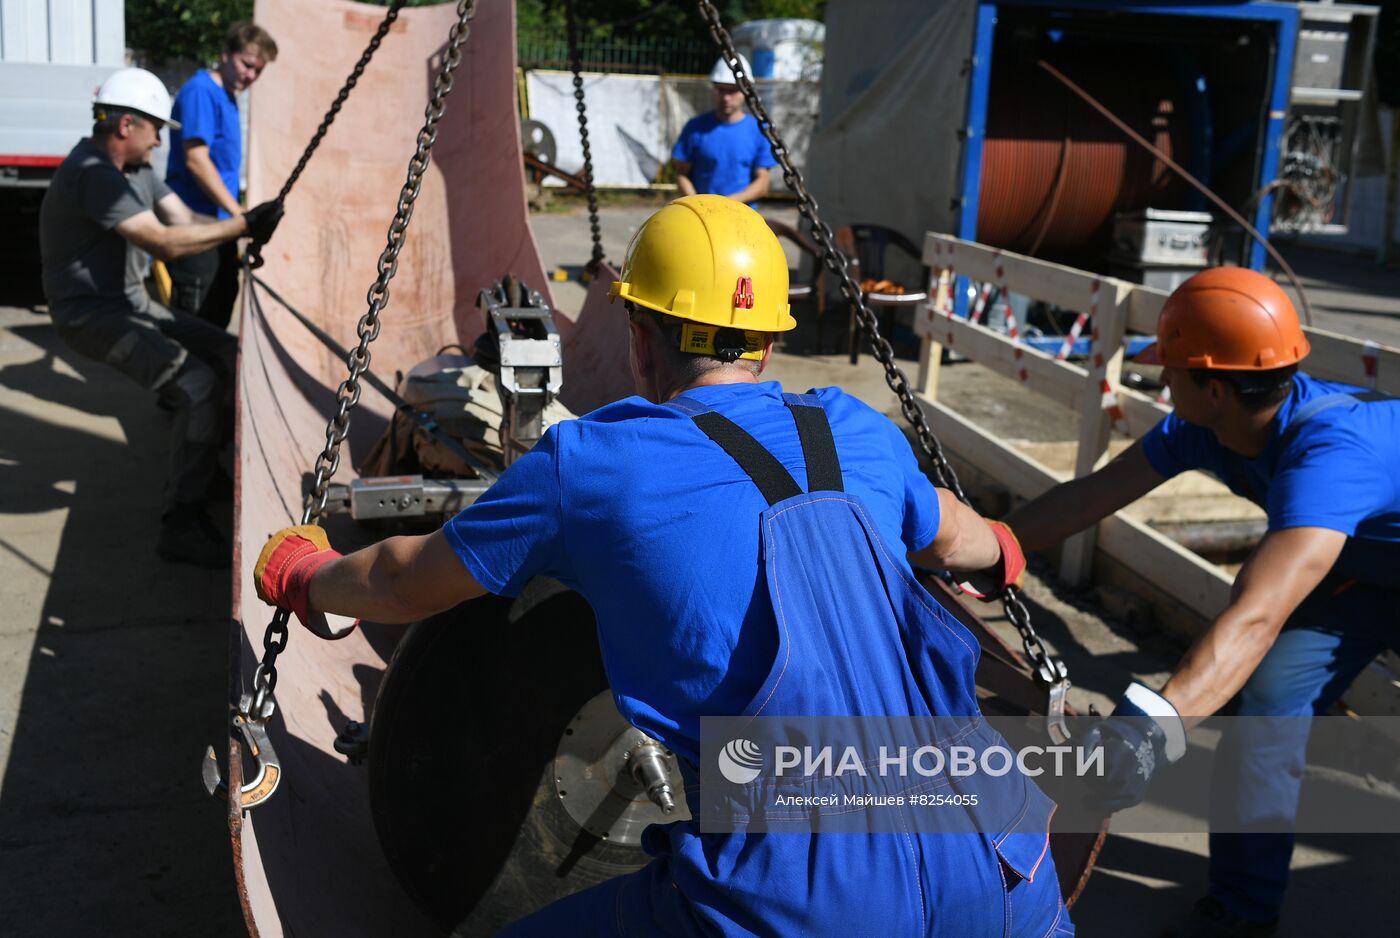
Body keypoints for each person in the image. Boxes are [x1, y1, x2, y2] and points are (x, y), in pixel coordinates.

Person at [254, 195, 1073, 936]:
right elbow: (963, 540)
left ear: (640, 340)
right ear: (774, 339)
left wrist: (303, 572)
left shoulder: (591, 463)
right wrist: (1003, 554)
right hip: (1003, 857)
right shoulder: (856, 428)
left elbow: (399, 584)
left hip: (815, 895)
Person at [1001, 267, 1399, 938]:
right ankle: (1243, 907)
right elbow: (1093, 495)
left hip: (1350, 564)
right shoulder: (1204, 427)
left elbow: (1258, 613)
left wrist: (1150, 731)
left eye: (1172, 371)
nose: (1162, 383)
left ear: (1214, 388)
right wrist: (993, 547)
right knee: (1267, 705)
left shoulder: (1332, 455)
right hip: (1359, 573)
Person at [39, 67, 283, 566]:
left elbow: (183, 221)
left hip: (133, 304)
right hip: (90, 317)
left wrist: (245, 224)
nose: (159, 143)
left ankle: (201, 465)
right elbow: (163, 242)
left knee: (227, 354)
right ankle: (182, 522)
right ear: (127, 126)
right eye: (156, 130)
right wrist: (240, 224)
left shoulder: (137, 171)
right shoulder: (93, 175)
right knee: (197, 387)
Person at [164, 22, 278, 328]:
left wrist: (237, 222)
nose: (251, 75)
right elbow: (196, 160)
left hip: (220, 225)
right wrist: (241, 216)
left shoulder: (228, 96)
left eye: (258, 71)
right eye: (247, 64)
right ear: (225, 54)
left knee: (220, 303)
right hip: (195, 225)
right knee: (197, 318)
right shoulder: (202, 91)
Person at [670, 54, 777, 207]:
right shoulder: (695, 127)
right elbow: (682, 174)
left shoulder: (759, 130)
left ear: (745, 91)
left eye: (732, 91)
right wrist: (698, 203)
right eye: (721, 90)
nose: (726, 98)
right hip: (701, 215)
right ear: (714, 89)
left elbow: (762, 182)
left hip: (742, 217)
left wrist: (728, 204)